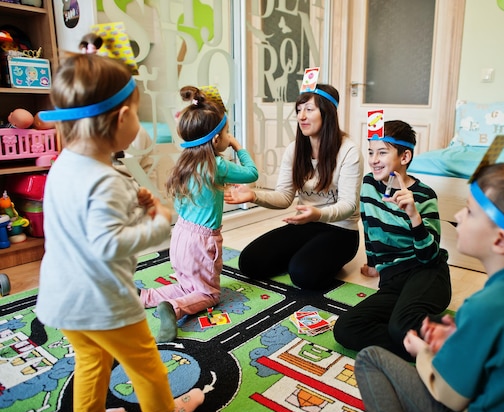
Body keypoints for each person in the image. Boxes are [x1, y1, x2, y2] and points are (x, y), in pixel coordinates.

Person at [35, 53, 204, 412]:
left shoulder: (63, 165)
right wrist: (158, 223)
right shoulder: (105, 180)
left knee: (91, 359)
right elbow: (107, 243)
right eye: (138, 114)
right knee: (145, 364)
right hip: (102, 303)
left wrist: (133, 204)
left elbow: (82, 225)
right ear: (124, 117)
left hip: (62, 297)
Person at [354, 159, 504, 412]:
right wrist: (460, 339)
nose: (457, 216)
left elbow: (448, 394)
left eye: (470, 211)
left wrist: (425, 352)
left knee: (369, 358)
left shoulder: (486, 306)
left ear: (500, 240)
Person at [139, 85, 259, 343]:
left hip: (180, 235)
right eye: (227, 132)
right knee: (208, 294)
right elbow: (252, 173)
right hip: (203, 241)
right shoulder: (217, 165)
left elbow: (181, 206)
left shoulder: (184, 162)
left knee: (187, 286)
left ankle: (144, 298)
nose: (229, 136)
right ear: (216, 139)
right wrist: (238, 147)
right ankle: (174, 308)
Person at [224, 84, 363, 290]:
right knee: (249, 262)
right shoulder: (295, 149)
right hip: (306, 224)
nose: (301, 116)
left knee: (302, 275)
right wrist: (253, 195)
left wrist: (317, 214)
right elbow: (284, 197)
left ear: (328, 112)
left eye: (309, 109)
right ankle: (305, 257)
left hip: (341, 230)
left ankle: (320, 260)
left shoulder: (349, 151)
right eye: (298, 110)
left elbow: (349, 204)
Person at [333, 120, 451, 360]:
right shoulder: (369, 184)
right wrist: (374, 264)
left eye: (382, 152)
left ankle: (453, 342)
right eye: (371, 152)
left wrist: (413, 216)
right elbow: (369, 226)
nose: (374, 159)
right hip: (393, 280)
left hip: (427, 274)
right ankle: (419, 346)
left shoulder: (424, 195)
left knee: (400, 325)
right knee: (345, 328)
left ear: (405, 156)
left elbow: (429, 256)